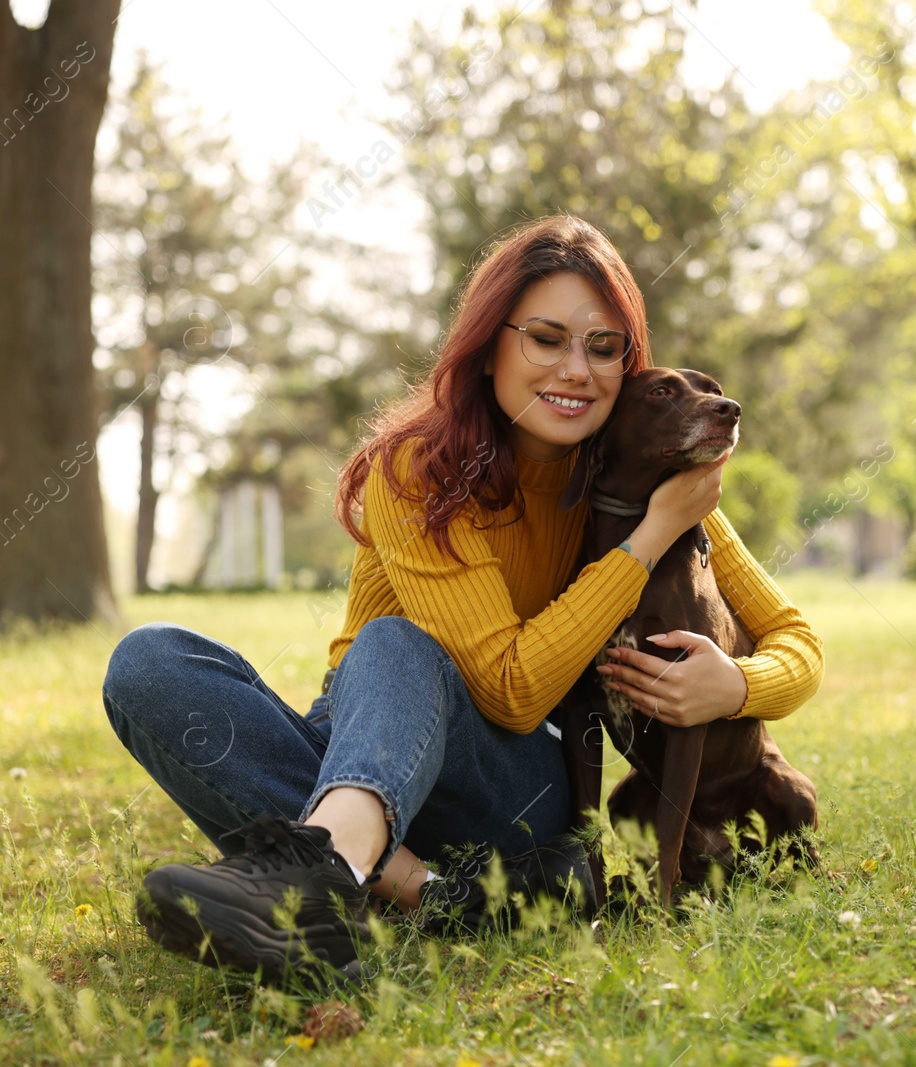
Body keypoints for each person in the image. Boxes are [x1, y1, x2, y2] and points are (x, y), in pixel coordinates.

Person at [101, 215, 824, 984]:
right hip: (372, 737)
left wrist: (737, 683)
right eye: (546, 339)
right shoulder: (418, 470)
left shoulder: (639, 484)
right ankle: (406, 889)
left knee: (394, 640)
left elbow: (795, 639)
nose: (576, 368)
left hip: (504, 783)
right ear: (489, 348)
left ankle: (328, 874)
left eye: (603, 346)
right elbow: (505, 677)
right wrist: (641, 547)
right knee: (151, 662)